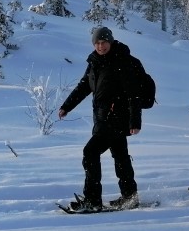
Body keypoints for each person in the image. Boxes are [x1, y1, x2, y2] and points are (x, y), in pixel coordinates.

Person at [58, 26, 144, 212]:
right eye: (97, 42)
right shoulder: (95, 62)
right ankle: (130, 196)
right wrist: (67, 106)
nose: (100, 46)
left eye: (104, 42)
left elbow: (133, 94)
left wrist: (135, 122)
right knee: (120, 157)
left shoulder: (121, 61)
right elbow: (84, 87)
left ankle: (92, 199)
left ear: (110, 42)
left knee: (90, 152)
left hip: (115, 119)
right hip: (102, 118)